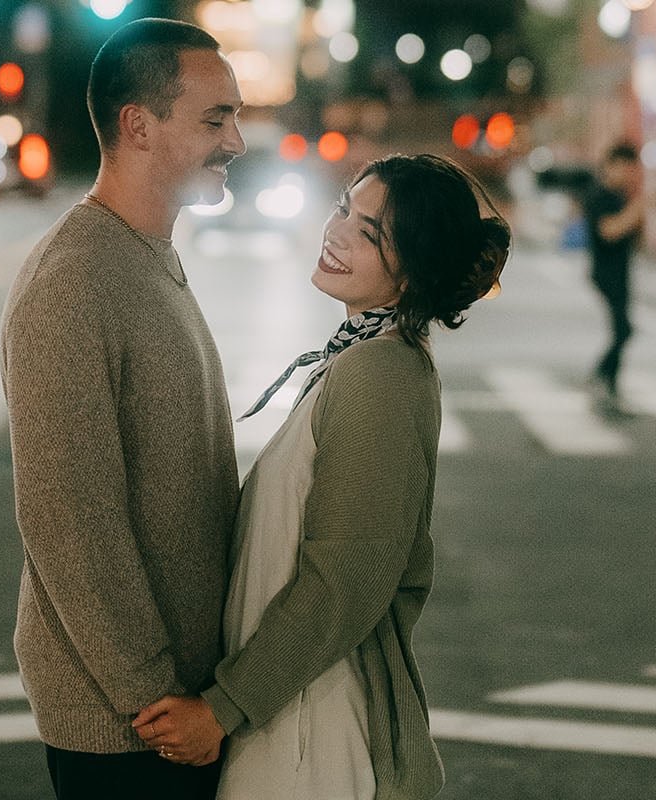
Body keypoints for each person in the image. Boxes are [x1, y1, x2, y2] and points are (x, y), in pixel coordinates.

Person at [133, 154, 510, 800]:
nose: (335, 233)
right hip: (297, 715)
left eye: (370, 232)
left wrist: (223, 708)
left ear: (414, 267)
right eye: (342, 210)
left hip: (317, 734)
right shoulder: (364, 356)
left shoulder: (378, 374)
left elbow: (345, 580)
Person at [0, 17, 245, 800]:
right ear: (138, 125)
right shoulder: (75, 280)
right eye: (215, 119)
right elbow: (68, 515)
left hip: (175, 704)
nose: (236, 141)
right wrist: (152, 696)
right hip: (130, 724)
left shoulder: (145, 256)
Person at [585, 143, 646, 408]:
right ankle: (601, 377)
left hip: (620, 271)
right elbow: (608, 231)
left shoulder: (620, 196)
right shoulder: (600, 194)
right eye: (626, 168)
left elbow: (634, 238)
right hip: (606, 272)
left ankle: (608, 382)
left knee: (623, 330)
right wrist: (637, 210)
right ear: (612, 165)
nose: (630, 174)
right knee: (623, 329)